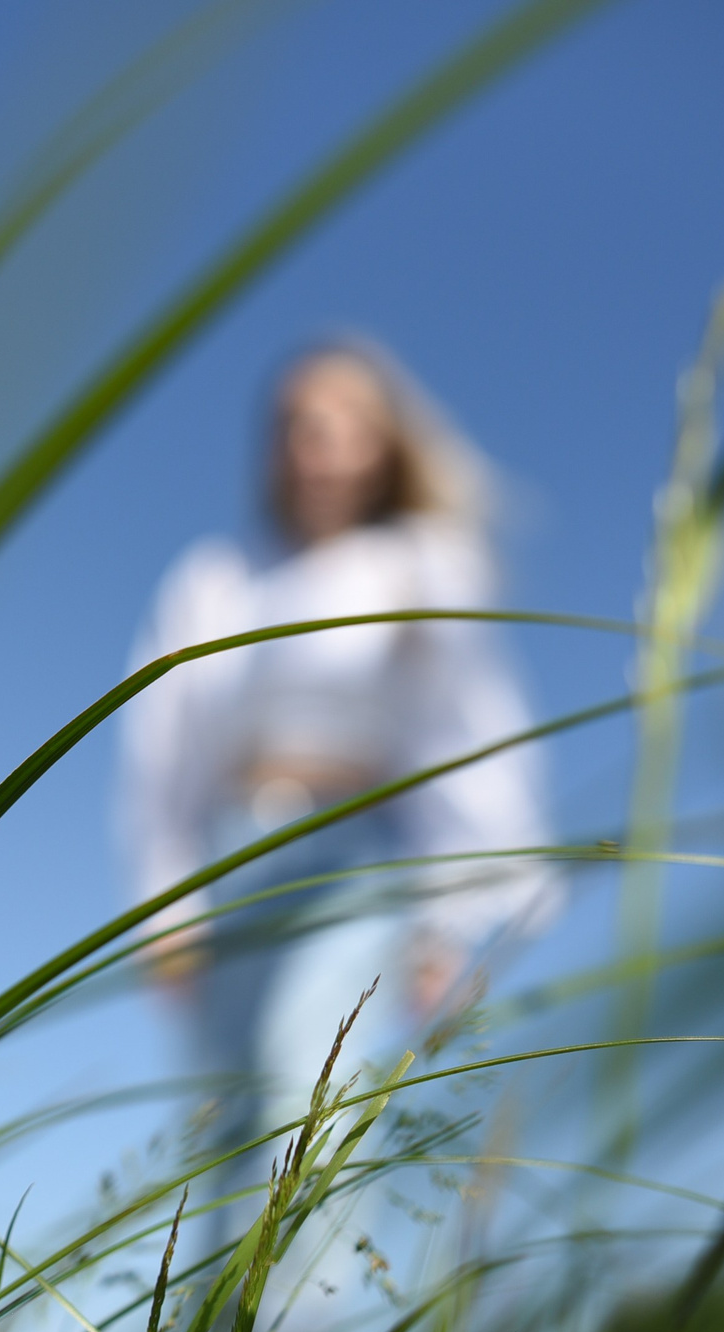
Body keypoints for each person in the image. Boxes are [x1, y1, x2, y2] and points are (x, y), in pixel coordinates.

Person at [116, 339, 557, 1259]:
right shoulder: (218, 578)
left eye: (338, 420)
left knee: (305, 1086)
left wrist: (450, 916)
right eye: (292, 422)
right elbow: (163, 745)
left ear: (381, 443)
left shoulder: (422, 567)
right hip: (238, 850)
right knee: (226, 1106)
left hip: (355, 851)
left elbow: (467, 736)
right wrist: (166, 901)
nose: (311, 440)